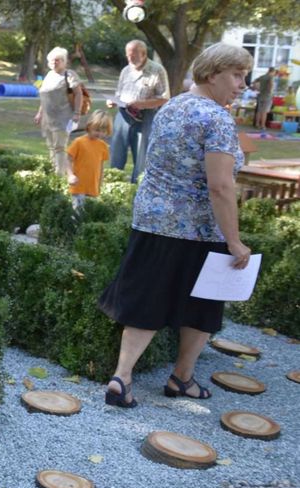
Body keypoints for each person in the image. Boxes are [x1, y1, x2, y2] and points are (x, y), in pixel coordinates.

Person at [98, 43, 253, 408]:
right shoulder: (216, 118)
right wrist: (234, 241)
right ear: (213, 73)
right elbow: (220, 185)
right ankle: (181, 379)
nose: (242, 84)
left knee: (147, 298)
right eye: (237, 75)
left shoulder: (173, 106)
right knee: (203, 304)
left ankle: (122, 376)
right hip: (197, 228)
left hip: (153, 219)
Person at [107, 40, 170, 183]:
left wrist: (142, 104)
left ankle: (136, 189)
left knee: (141, 157)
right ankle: (113, 185)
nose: (130, 59)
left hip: (145, 117)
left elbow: (165, 98)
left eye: (133, 56)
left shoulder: (157, 70)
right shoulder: (126, 70)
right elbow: (119, 93)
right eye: (128, 56)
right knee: (116, 153)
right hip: (122, 115)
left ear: (144, 54)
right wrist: (113, 101)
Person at [34, 47, 83, 176]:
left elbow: (78, 94)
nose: (53, 63)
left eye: (57, 60)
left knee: (60, 147)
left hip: (63, 117)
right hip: (47, 117)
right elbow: (44, 96)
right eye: (51, 60)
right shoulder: (49, 75)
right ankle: (53, 171)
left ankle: (59, 176)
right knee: (51, 146)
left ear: (64, 61)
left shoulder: (69, 75)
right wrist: (40, 113)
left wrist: (77, 113)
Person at [66, 109, 112, 212]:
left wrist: (100, 184)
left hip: (93, 189)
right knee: (78, 214)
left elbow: (101, 166)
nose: (99, 133)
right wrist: (70, 175)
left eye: (103, 131)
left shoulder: (103, 146)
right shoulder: (79, 142)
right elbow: (68, 160)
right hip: (79, 187)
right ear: (89, 126)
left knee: (89, 215)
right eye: (97, 129)